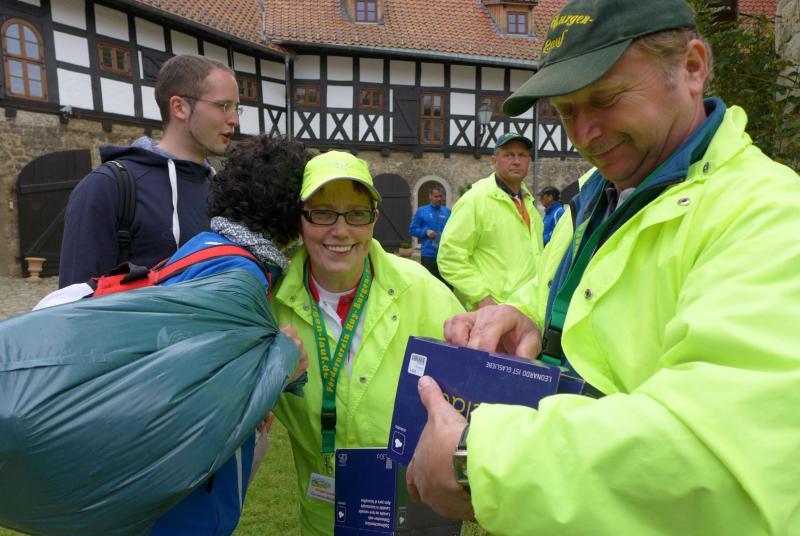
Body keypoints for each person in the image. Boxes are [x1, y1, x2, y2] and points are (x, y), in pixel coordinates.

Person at [406, 0, 800, 534]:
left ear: (692, 67)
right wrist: (524, 317)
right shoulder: (596, 195)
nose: (585, 133)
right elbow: (564, 299)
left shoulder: (770, 214)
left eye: (606, 99)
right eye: (566, 111)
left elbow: (720, 454)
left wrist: (478, 458)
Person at [271, 151, 465, 535]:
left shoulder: (421, 288)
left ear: (374, 219)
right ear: (300, 219)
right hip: (326, 518)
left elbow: (475, 388)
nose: (340, 231)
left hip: (416, 512)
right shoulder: (269, 300)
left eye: (357, 214)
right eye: (322, 213)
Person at [150, 134, 310, 535]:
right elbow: (203, 393)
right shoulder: (239, 274)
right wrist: (283, 370)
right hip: (184, 500)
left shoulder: (206, 247)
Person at [59, 54, 241, 287]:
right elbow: (74, 301)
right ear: (180, 108)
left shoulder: (221, 189)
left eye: (237, 108)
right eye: (224, 106)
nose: (234, 120)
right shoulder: (107, 186)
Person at [437, 132, 543, 310]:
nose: (516, 161)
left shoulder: (528, 202)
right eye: (508, 155)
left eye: (522, 155)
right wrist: (481, 297)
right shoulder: (475, 200)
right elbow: (450, 257)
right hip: (492, 312)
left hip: (528, 309)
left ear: (529, 161)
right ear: (494, 161)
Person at [408, 184, 451, 284]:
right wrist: (425, 232)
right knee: (430, 283)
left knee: (447, 284)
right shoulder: (422, 211)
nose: (439, 199)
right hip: (428, 255)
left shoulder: (447, 211)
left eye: (440, 196)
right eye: (436, 196)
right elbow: (412, 230)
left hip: (445, 255)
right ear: (430, 196)